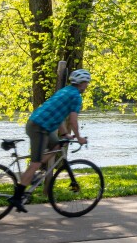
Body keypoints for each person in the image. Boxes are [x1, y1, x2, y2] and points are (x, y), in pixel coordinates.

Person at [11, 69, 91, 211]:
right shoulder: (76, 97)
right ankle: (17, 197)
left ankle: (34, 175)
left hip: (40, 124)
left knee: (57, 145)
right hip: (40, 128)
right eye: (86, 83)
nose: (87, 86)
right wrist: (79, 138)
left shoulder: (65, 91)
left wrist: (65, 134)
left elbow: (59, 115)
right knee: (35, 163)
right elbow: (73, 120)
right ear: (82, 83)